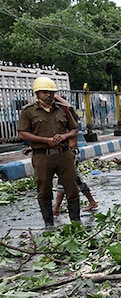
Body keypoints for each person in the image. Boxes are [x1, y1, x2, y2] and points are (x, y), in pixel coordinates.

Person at [17, 76, 81, 227]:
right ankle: (49, 224)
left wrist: (64, 136)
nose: (48, 95)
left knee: (71, 187)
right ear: (37, 93)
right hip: (42, 156)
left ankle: (76, 222)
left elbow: (74, 130)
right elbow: (22, 133)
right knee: (44, 189)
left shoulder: (62, 109)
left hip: (63, 154)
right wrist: (46, 140)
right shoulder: (29, 111)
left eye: (51, 92)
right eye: (44, 92)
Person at [51, 94, 98, 214]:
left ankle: (56, 208)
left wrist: (56, 96)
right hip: (65, 153)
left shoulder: (69, 116)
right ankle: (92, 202)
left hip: (71, 153)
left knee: (64, 180)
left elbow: (70, 107)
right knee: (75, 180)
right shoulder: (57, 120)